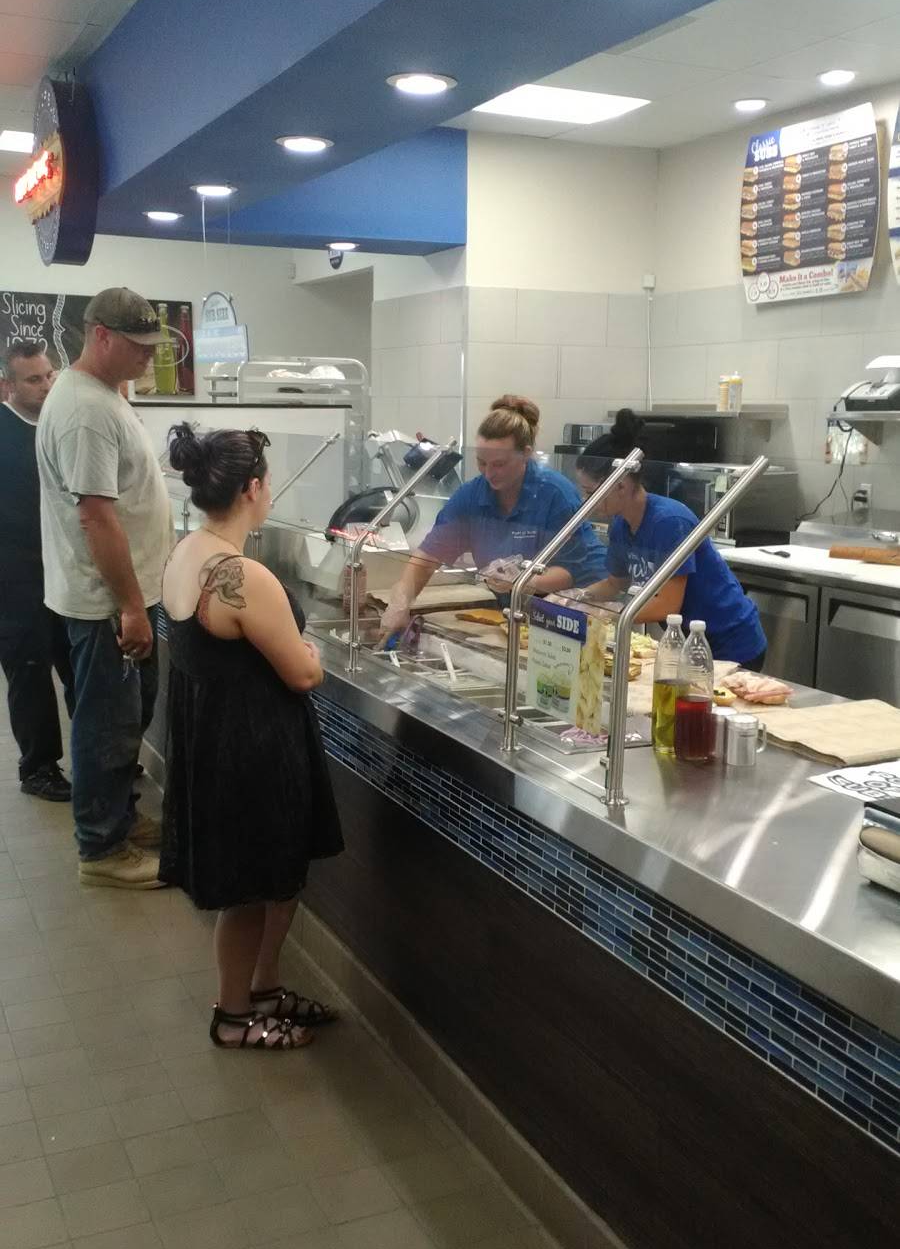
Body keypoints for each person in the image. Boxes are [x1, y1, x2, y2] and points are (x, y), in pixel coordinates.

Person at [161, 424, 343, 1050]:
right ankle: (233, 1016)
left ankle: (264, 988)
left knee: (274, 877)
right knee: (246, 889)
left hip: (215, 742)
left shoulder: (186, 552)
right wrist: (312, 655)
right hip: (252, 750)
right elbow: (302, 673)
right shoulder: (241, 575)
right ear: (253, 489)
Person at [36, 288, 175, 889]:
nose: (148, 356)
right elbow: (96, 517)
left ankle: (119, 818)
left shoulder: (105, 394)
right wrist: (130, 607)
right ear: (101, 336)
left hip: (122, 599)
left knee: (127, 718)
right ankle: (101, 848)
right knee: (106, 727)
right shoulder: (85, 411)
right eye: (138, 346)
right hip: (106, 606)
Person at [380, 395, 608, 636]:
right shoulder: (471, 496)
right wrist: (401, 600)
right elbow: (427, 558)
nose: (489, 473)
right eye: (482, 463)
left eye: (499, 464)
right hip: (519, 610)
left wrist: (523, 581)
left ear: (526, 454)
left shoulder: (555, 494)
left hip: (582, 609)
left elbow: (569, 572)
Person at [576, 411, 767, 668]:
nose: (586, 501)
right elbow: (614, 583)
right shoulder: (621, 525)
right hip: (690, 640)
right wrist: (576, 598)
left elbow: (666, 605)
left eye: (590, 492)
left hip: (730, 641)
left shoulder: (669, 522)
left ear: (620, 485)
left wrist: (604, 614)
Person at [0, 342, 75, 800]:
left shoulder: (58, 423)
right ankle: (38, 768)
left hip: (62, 570)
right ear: (7, 384)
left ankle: (94, 754)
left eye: (49, 376)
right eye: (33, 379)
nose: (46, 386)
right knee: (29, 674)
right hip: (13, 577)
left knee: (77, 666)